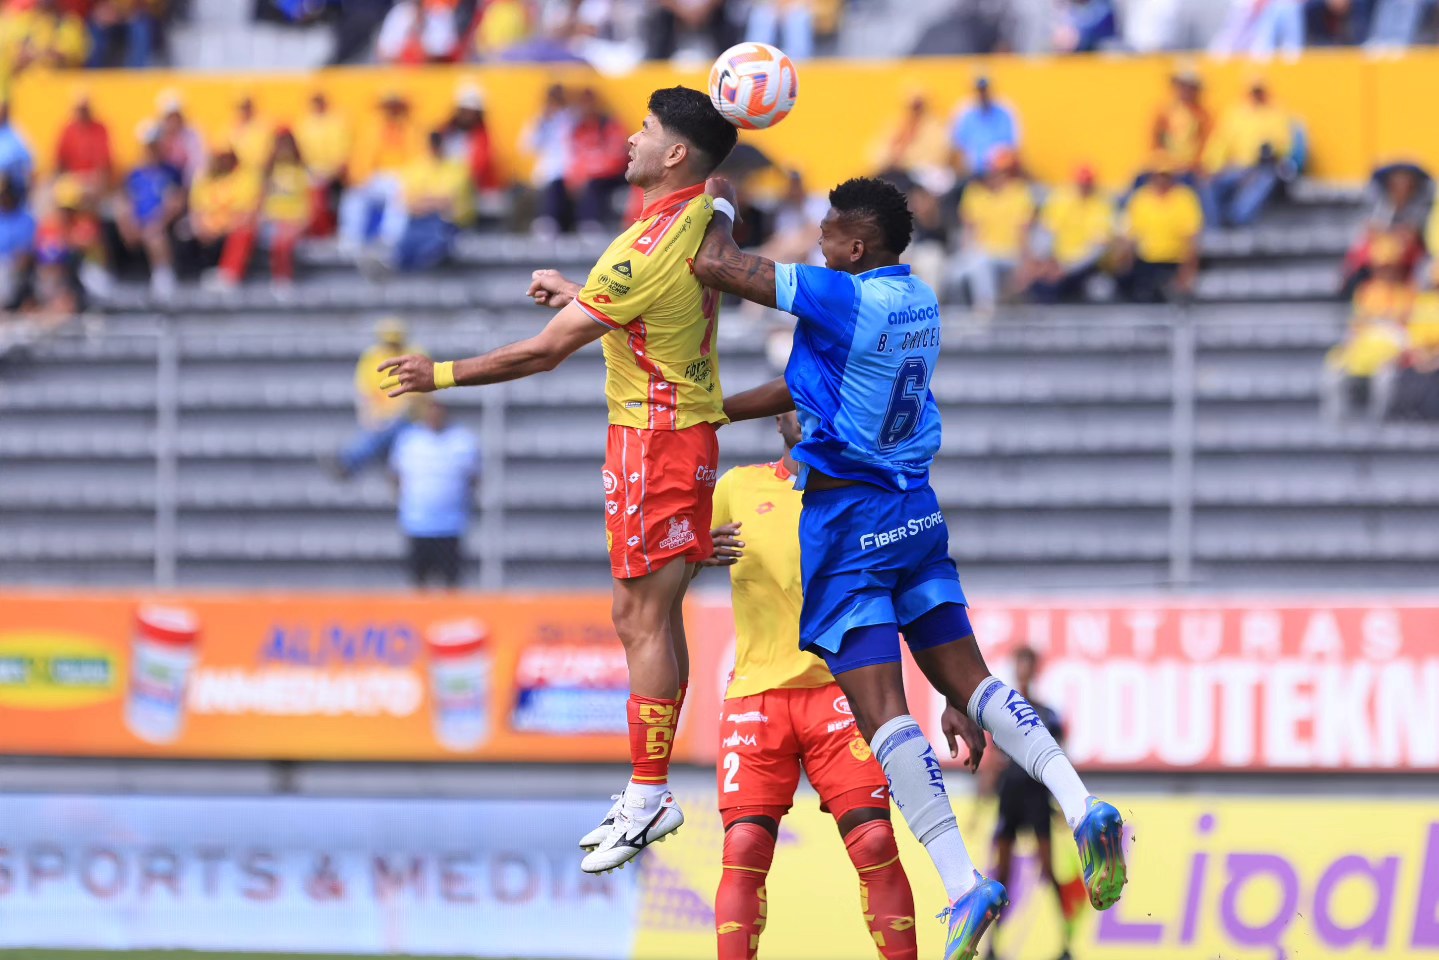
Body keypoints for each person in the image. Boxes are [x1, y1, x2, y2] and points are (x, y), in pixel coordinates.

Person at [691, 174, 1129, 960]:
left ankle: (963, 886)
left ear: (856, 246)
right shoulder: (918, 299)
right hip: (916, 511)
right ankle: (1083, 802)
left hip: (849, 518)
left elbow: (717, 265)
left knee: (883, 713)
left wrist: (718, 203)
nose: (817, 240)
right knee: (974, 684)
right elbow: (805, 386)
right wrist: (715, 409)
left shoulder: (838, 295)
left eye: (828, 232)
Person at [378, 87, 738, 876]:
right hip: (680, 435)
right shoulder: (702, 214)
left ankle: (649, 795)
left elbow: (542, 353)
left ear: (676, 154)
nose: (632, 139)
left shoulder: (640, 251)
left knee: (638, 618)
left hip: (652, 443)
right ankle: (648, 787)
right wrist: (583, 295)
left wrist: (440, 373)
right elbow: (681, 271)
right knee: (650, 614)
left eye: (646, 130)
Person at [705, 411, 919, 960]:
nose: (806, 409)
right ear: (777, 417)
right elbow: (668, 554)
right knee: (744, 846)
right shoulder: (736, 488)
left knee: (875, 840)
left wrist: (952, 694)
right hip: (757, 695)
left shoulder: (869, 490)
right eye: (795, 398)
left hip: (843, 691)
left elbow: (910, 587)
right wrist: (692, 552)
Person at [977, 647, 1087, 960]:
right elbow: (992, 759)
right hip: (1010, 794)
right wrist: (980, 800)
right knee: (1002, 873)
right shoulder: (1001, 710)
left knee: (1049, 871)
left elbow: (1061, 758)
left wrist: (1065, 801)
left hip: (1036, 795)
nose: (1023, 670)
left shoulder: (1047, 714)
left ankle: (1065, 945)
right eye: (1019, 664)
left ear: (1035, 669)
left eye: (1028, 665)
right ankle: (992, 946)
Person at [389, 398, 479, 590]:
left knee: (451, 584)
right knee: (418, 583)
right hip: (417, 523)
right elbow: (396, 476)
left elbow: (474, 478)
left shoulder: (462, 441)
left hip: (451, 524)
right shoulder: (409, 440)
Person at [337, 91, 423, 256]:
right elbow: (362, 156)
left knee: (399, 195)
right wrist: (357, 177)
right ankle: (350, 239)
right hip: (375, 176)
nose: (392, 111)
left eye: (395, 106)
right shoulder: (373, 128)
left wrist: (411, 179)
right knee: (354, 195)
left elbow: (419, 159)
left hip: (403, 176)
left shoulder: (413, 128)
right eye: (389, 107)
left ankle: (389, 240)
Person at [1201, 77, 1293, 228]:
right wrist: (1211, 166)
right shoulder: (1235, 114)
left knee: (1262, 180)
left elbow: (1284, 145)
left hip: (1264, 168)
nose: (1256, 95)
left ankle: (1236, 219)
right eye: (1253, 91)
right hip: (1237, 167)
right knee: (1207, 184)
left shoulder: (1276, 114)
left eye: (1259, 91)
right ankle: (1215, 225)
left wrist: (1261, 161)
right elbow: (1221, 142)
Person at [341, 317, 423, 478]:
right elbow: (364, 393)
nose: (391, 347)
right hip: (379, 418)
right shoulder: (371, 357)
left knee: (385, 435)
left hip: (409, 418)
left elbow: (411, 400)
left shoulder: (414, 356)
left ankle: (349, 462)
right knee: (379, 435)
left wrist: (387, 421)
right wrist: (368, 418)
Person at [955, 148, 1035, 310]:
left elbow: (1023, 232)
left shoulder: (1019, 192)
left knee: (980, 262)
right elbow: (968, 231)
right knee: (952, 274)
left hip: (1009, 254)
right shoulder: (975, 192)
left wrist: (1026, 264)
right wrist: (966, 255)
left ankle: (986, 310)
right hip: (980, 252)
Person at [1119, 159, 1203, 303]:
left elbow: (1192, 239)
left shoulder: (1184, 198)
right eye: (1158, 176)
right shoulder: (1141, 198)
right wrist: (1125, 265)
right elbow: (1130, 235)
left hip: (1174, 262)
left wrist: (1186, 273)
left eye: (1166, 176)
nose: (1162, 180)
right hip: (1146, 262)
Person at [117, 123, 183, 299]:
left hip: (162, 224)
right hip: (139, 222)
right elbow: (125, 199)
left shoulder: (171, 172)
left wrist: (159, 221)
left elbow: (176, 201)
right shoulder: (134, 174)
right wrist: (127, 222)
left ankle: (163, 275)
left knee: (154, 235)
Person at [1032, 165, 1113, 304]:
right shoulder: (1060, 201)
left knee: (1100, 291)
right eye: (1081, 183)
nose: (1084, 187)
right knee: (1042, 288)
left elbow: (1098, 249)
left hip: (1086, 268)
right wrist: (1048, 262)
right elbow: (1046, 234)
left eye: (1087, 184)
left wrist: (1068, 268)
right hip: (1057, 263)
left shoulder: (1102, 205)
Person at [391, 130, 471, 272]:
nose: (435, 148)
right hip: (419, 220)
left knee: (434, 244)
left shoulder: (456, 167)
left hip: (449, 223)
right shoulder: (417, 166)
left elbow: (447, 202)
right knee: (405, 246)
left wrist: (422, 200)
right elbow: (407, 202)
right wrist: (433, 201)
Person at [185, 148, 261, 289]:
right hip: (209, 226)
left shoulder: (245, 176)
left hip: (233, 224)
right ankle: (184, 275)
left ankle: (230, 274)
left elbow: (247, 213)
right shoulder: (203, 177)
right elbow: (196, 209)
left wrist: (224, 227)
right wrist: (203, 226)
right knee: (183, 232)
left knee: (244, 231)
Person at [567, 88, 631, 235]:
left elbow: (616, 158)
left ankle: (590, 225)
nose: (586, 108)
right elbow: (576, 157)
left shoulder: (610, 125)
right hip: (590, 176)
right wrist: (577, 177)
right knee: (559, 185)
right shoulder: (578, 129)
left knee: (593, 184)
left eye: (589, 103)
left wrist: (590, 171)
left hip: (615, 175)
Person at [294, 91, 351, 237]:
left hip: (331, 171)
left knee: (319, 188)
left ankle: (324, 229)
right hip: (310, 170)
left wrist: (330, 171)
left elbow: (342, 154)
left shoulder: (336, 122)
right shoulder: (305, 123)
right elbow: (300, 151)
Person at [259, 128, 312, 286]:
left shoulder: (301, 172)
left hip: (295, 220)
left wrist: (301, 222)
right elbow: (260, 200)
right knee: (277, 238)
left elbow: (310, 203)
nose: (284, 151)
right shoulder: (268, 172)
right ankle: (278, 275)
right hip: (272, 219)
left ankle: (284, 276)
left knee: (284, 240)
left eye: (287, 147)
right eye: (281, 147)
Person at [524, 83, 575, 237]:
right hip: (547, 173)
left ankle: (551, 222)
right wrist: (542, 123)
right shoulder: (539, 120)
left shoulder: (572, 118)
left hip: (568, 171)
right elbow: (527, 146)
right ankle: (547, 223)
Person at [949, 75, 1020, 181]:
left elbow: (1012, 147)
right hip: (972, 173)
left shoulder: (1005, 113)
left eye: (985, 90)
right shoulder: (964, 114)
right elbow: (957, 149)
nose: (982, 94)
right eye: (979, 91)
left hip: (1001, 172)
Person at [1151, 66, 1211, 183]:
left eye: (1190, 87)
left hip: (1192, 170)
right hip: (1166, 168)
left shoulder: (1203, 115)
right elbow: (1156, 143)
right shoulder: (1164, 112)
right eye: (1182, 86)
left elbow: (1207, 145)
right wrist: (1165, 163)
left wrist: (1194, 165)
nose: (1186, 91)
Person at [55, 91, 113, 203]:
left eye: (85, 108)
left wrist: (96, 180)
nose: (83, 112)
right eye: (80, 109)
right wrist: (66, 181)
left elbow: (105, 164)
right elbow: (60, 162)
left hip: (93, 181)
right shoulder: (68, 131)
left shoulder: (100, 129)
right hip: (72, 180)